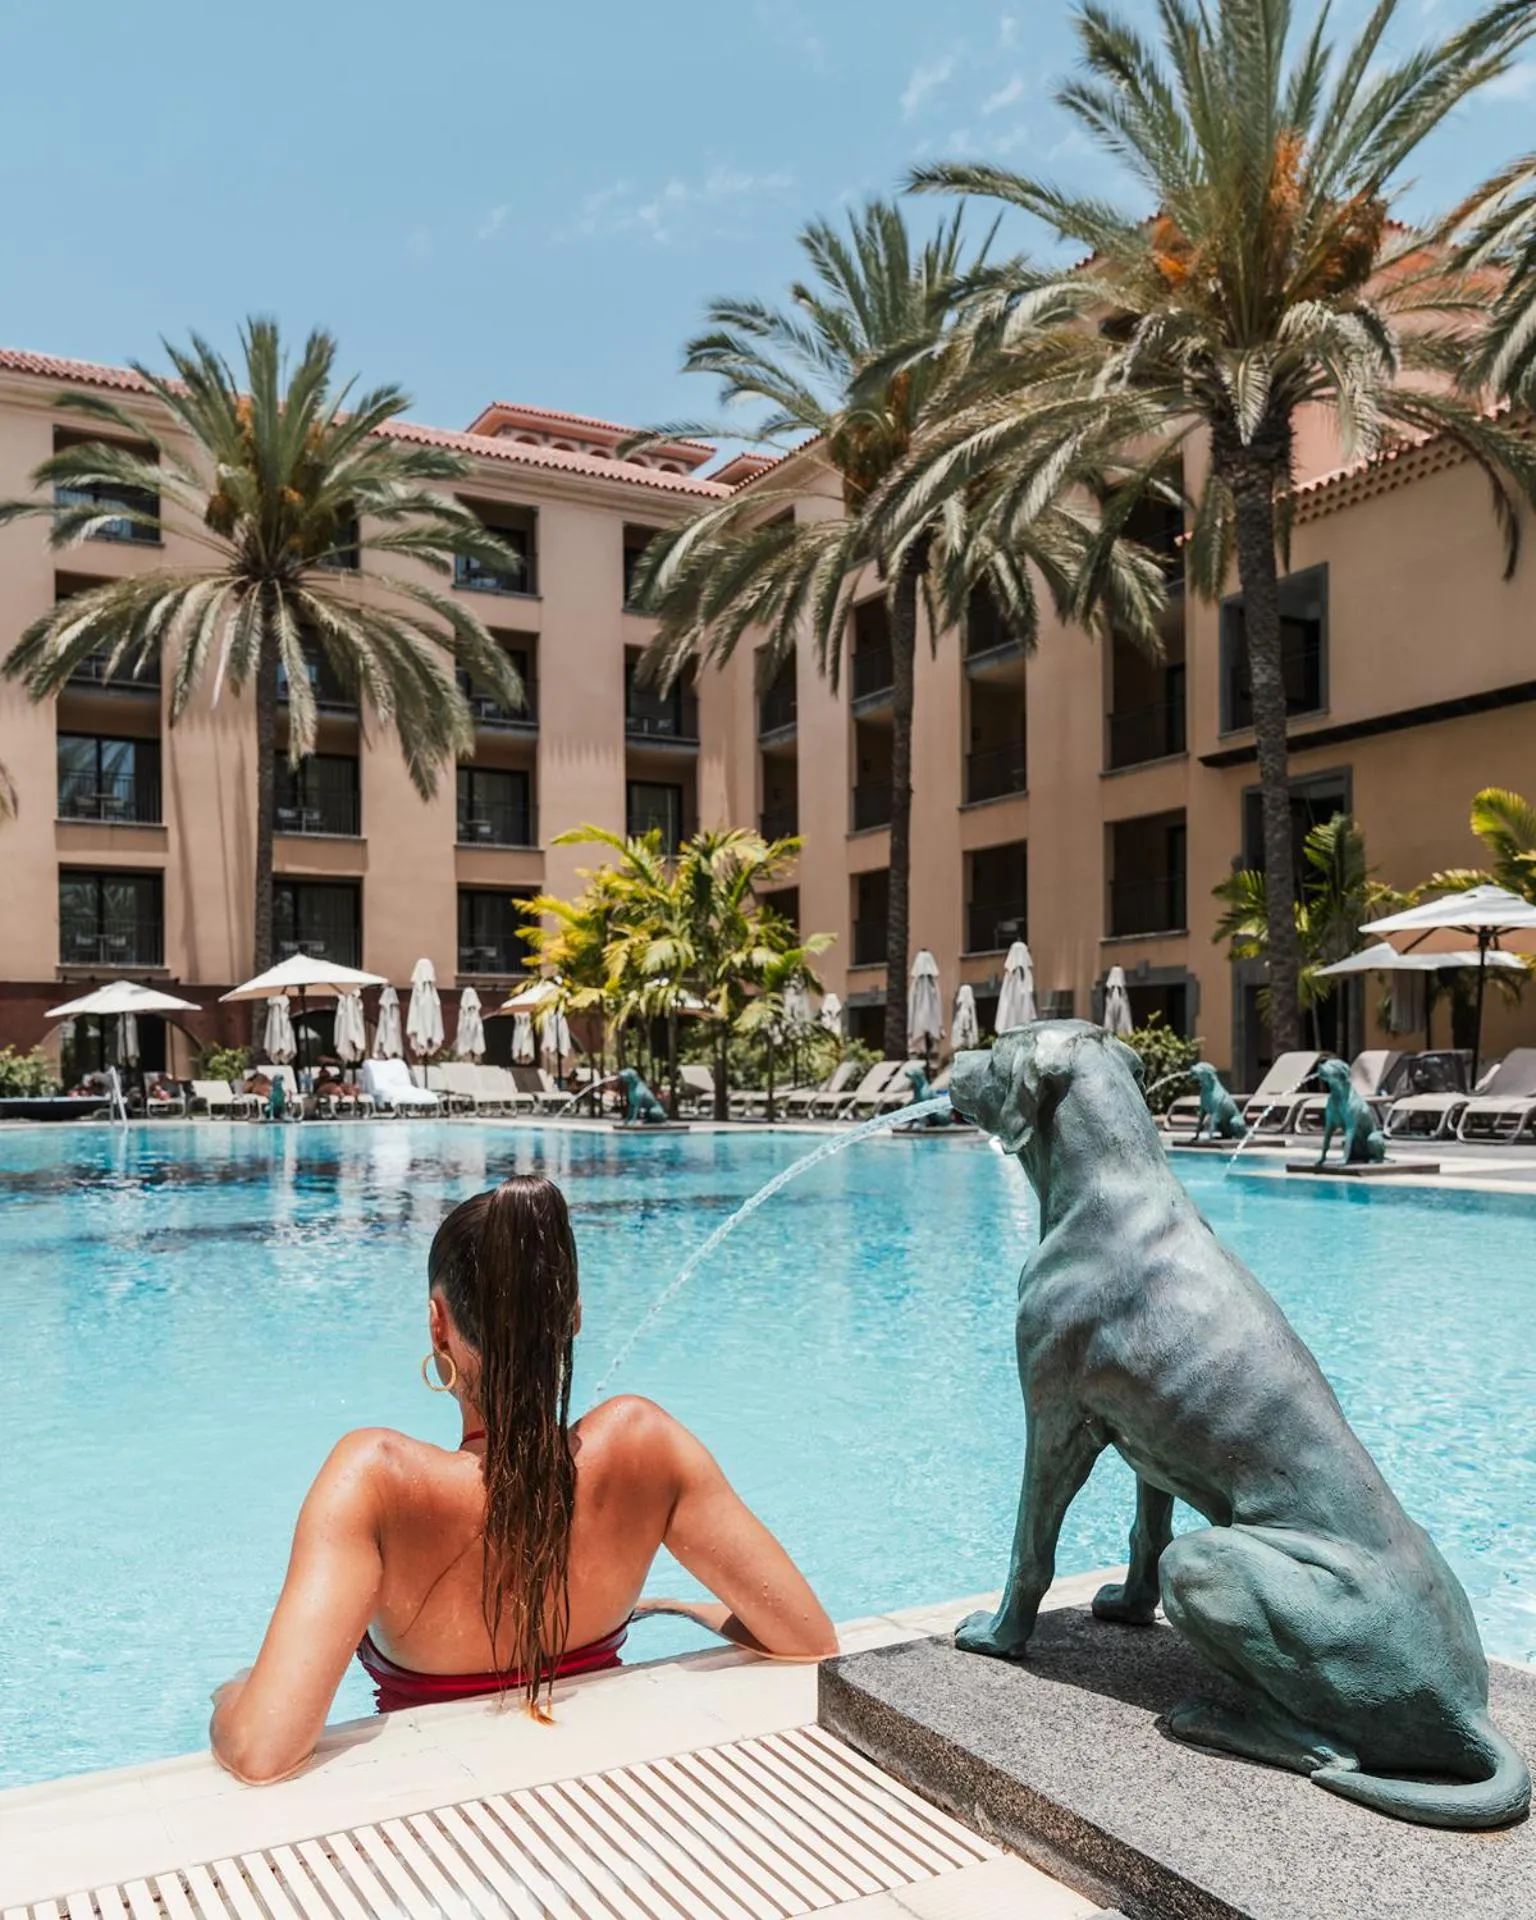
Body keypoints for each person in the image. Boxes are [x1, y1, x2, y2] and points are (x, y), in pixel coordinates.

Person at [210, 1174, 836, 1783]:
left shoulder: (375, 1481)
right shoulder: (644, 1444)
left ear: (438, 1324)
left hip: (439, 1822)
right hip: (616, 1801)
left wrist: (231, 1696)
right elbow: (807, 1639)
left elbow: (264, 1752)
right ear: (575, 1317)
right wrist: (678, 1605)